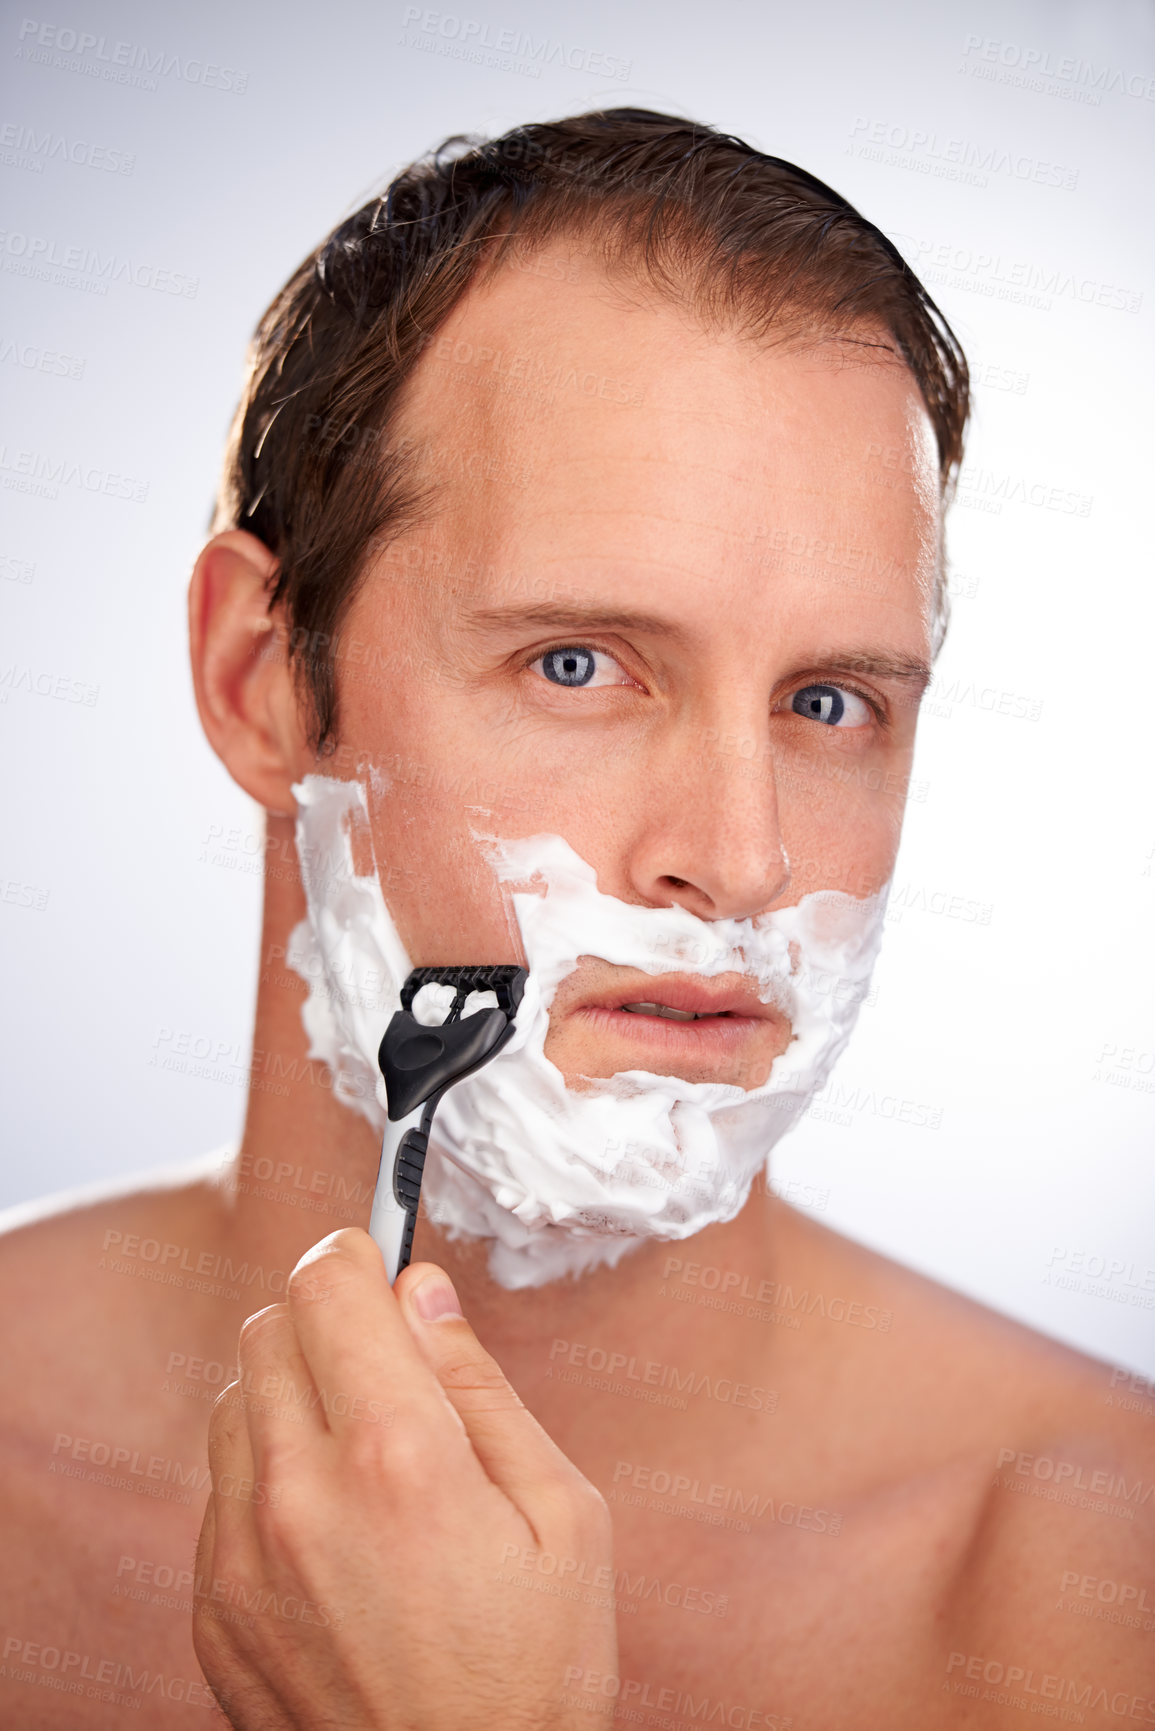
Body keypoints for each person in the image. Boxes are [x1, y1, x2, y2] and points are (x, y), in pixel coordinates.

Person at [1, 108, 1150, 1730]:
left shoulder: (1096, 1584)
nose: (740, 859)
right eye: (579, 666)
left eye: (829, 701)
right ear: (263, 686)